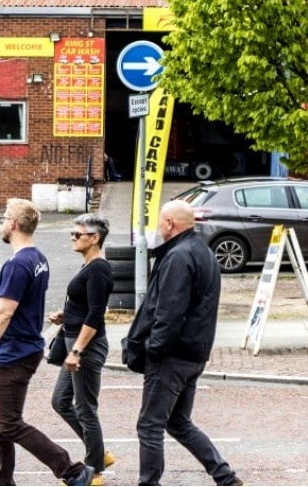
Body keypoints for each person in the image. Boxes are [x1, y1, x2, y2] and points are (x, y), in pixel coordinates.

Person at [0, 198, 95, 487]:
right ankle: (3, 481)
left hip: (14, 352)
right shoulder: (38, 258)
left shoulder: (18, 264)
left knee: (9, 423)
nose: (2, 223)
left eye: (4, 219)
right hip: (19, 349)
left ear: (13, 224)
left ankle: (72, 471)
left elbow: (4, 312)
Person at [124, 200, 243, 486]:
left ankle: (149, 483)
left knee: (149, 425)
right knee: (178, 422)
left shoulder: (178, 256)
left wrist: (154, 348)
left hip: (172, 356)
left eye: (160, 222)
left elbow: (168, 311)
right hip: (193, 353)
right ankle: (225, 477)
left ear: (168, 223)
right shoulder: (203, 252)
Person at [49, 213, 116, 485]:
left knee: (85, 408)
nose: (73, 238)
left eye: (78, 234)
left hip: (85, 347)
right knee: (60, 401)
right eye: (72, 233)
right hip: (74, 339)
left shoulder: (98, 268)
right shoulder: (89, 265)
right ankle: (99, 453)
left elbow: (97, 314)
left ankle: (94, 472)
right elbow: (86, 305)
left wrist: (76, 351)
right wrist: (65, 315)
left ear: (95, 238)